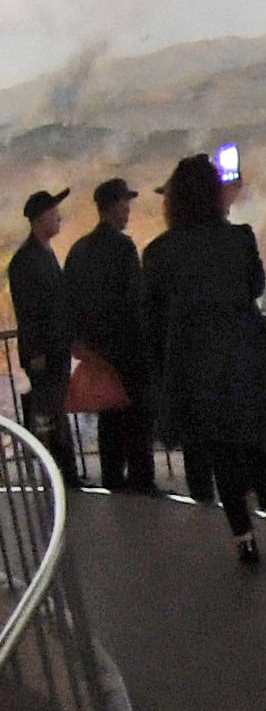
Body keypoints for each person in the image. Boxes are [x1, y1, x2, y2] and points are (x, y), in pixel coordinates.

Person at [144, 153, 266, 561]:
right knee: (255, 438)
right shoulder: (239, 238)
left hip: (195, 364)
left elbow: (152, 313)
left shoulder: (159, 253)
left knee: (221, 448)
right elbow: (256, 285)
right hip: (244, 354)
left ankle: (242, 537)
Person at [61, 178, 156, 493]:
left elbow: (69, 301)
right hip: (128, 350)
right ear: (115, 206)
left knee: (110, 417)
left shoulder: (79, 250)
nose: (128, 210)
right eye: (125, 203)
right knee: (137, 417)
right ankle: (141, 480)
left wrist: (81, 342)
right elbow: (135, 301)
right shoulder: (123, 247)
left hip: (96, 352)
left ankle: (113, 479)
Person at [7, 190, 74, 483]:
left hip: (53, 350)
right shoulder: (27, 260)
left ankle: (63, 472)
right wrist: (35, 354)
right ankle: (59, 473)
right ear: (39, 218)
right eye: (53, 212)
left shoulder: (41, 255)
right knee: (50, 413)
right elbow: (28, 311)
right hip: (44, 353)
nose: (58, 217)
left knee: (55, 411)